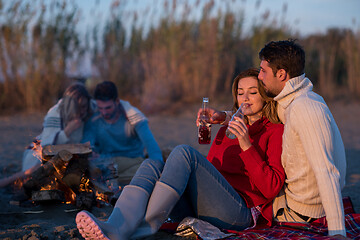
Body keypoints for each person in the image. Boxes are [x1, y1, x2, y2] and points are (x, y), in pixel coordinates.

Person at [75, 68, 285, 239]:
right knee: (151, 165)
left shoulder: (274, 130)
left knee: (184, 152)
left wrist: (247, 145)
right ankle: (114, 227)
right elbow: (211, 172)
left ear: (265, 96)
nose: (245, 98)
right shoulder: (227, 128)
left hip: (239, 213)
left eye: (253, 92)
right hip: (205, 206)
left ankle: (144, 227)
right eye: (240, 93)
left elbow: (270, 189)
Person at [258, 40, 347, 238]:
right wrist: (225, 117)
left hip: (298, 213)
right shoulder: (292, 100)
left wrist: (338, 232)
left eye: (263, 70)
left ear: (281, 74)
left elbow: (327, 171)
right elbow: (262, 113)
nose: (259, 76)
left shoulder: (306, 108)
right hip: (296, 200)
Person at [0, 82, 93, 188]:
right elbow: (47, 146)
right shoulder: (55, 113)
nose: (82, 111)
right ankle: (10, 181)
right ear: (70, 105)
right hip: (37, 155)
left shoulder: (88, 110)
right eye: (78, 107)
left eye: (84, 106)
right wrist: (67, 131)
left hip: (65, 155)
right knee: (36, 173)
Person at [81, 81, 163, 187]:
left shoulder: (134, 118)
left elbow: (152, 148)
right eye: (100, 108)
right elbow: (86, 144)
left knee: (146, 169)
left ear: (117, 101)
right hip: (106, 162)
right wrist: (92, 152)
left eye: (108, 107)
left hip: (133, 161)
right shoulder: (94, 119)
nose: (104, 112)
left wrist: (159, 170)